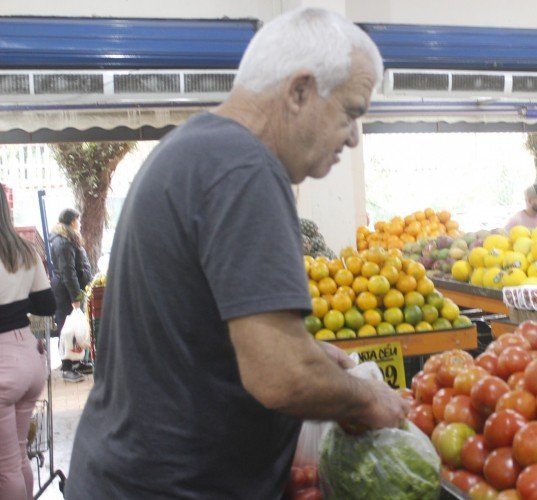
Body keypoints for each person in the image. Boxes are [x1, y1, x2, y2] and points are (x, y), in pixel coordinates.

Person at [66, 8, 408, 499]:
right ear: (299, 91)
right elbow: (281, 377)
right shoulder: (247, 170)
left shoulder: (191, 148)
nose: (355, 136)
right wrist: (365, 399)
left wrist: (305, 351)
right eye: (351, 111)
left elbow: (197, 336)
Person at [0, 183, 56, 500]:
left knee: (5, 468)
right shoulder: (25, 251)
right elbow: (47, 306)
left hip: (2, 367)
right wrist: (17, 300)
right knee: (20, 457)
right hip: (29, 357)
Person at [49, 208, 92, 382]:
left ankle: (76, 361)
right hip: (66, 292)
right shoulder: (63, 242)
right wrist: (75, 297)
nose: (79, 223)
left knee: (75, 328)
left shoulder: (68, 239)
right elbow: (68, 271)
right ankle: (67, 366)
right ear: (72, 221)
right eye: (78, 220)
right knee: (67, 329)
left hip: (72, 290)